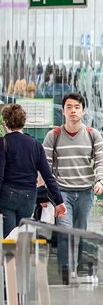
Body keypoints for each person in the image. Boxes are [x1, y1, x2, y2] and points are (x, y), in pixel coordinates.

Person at [43, 93, 103, 283]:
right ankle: (65, 270)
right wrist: (50, 192)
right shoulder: (54, 135)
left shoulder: (93, 134)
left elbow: (100, 160)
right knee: (65, 231)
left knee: (80, 230)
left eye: (77, 107)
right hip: (63, 192)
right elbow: (46, 165)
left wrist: (100, 180)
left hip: (85, 190)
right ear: (63, 111)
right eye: (69, 107)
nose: (73, 110)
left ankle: (77, 265)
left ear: (83, 111)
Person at [0, 104, 66, 238]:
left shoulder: (2, 143)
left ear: (6, 122)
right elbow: (48, 175)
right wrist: (59, 202)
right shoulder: (35, 144)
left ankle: (10, 258)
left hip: (7, 195)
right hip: (29, 196)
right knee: (25, 237)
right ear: (23, 122)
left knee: (9, 237)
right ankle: (23, 258)